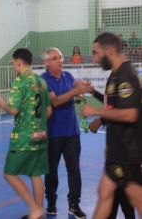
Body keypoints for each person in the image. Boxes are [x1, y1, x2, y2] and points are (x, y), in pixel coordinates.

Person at [82, 32, 142, 218]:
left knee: (135, 197)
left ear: (108, 50)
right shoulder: (115, 75)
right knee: (105, 193)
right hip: (117, 150)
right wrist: (92, 92)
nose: (94, 58)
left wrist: (96, 112)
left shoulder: (126, 75)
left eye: (95, 52)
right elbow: (113, 105)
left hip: (128, 152)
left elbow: (131, 114)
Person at [0, 48, 52, 219]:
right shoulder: (42, 82)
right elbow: (48, 111)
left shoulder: (20, 82)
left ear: (19, 62)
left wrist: (0, 103)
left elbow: (13, 110)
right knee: (35, 175)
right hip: (41, 136)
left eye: (14, 64)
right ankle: (38, 213)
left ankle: (35, 209)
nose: (14, 67)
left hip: (24, 138)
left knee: (9, 173)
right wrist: (38, 126)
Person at [41, 47, 92, 219]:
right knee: (51, 171)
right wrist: (75, 92)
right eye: (55, 58)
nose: (60, 60)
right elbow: (54, 102)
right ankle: (51, 203)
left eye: (60, 57)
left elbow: (76, 89)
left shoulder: (68, 76)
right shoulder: (42, 81)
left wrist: (84, 87)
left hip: (72, 132)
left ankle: (74, 204)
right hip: (53, 134)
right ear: (46, 62)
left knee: (74, 170)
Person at [89, 89, 135, 219]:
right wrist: (93, 92)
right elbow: (115, 104)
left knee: (120, 194)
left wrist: (99, 119)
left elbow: (124, 111)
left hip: (127, 157)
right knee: (115, 195)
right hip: (120, 155)